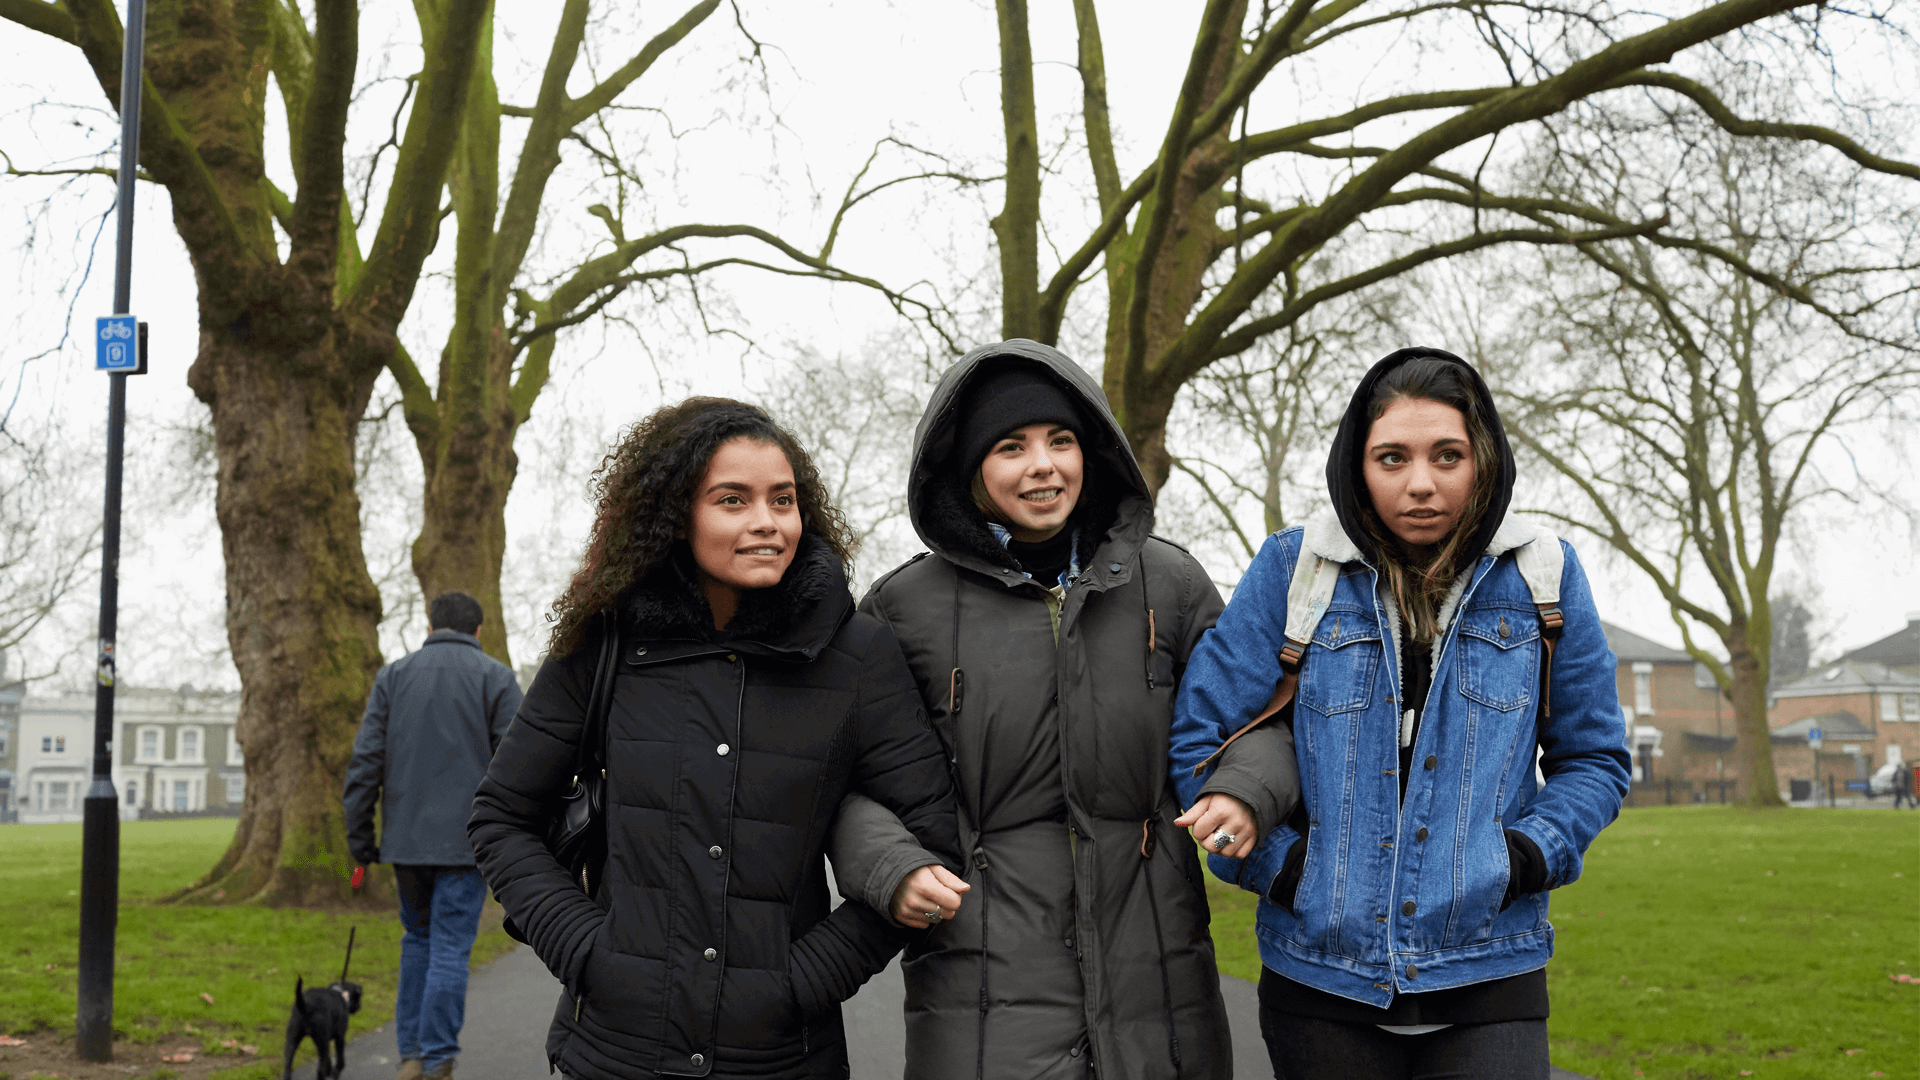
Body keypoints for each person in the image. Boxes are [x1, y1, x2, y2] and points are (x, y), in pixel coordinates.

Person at [827, 341, 1299, 1079]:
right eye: (1011, 447)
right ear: (969, 468)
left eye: (1061, 441)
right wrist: (891, 864)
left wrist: (1244, 788)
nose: (1043, 465)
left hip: (1163, 998)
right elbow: (847, 777)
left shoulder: (1171, 583)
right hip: (980, 1001)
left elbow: (1256, 719)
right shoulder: (901, 609)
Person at [1170, 348, 1632, 1080]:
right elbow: (1200, 742)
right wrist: (1287, 870)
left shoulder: (1544, 574)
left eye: (1447, 455)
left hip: (1491, 972)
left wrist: (1526, 858)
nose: (1421, 483)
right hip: (1317, 980)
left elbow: (1596, 758)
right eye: (1393, 458)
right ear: (1358, 465)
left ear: (1482, 459)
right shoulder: (1295, 569)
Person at [468, 398, 962, 1080]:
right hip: (615, 1053)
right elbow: (501, 817)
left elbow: (932, 840)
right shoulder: (605, 642)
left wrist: (805, 981)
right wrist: (586, 951)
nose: (766, 522)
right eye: (733, 500)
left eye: (782, 500)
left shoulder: (857, 655)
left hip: (785, 1057)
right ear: (675, 517)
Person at [343, 591, 524, 1080]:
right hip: (469, 843)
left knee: (417, 940)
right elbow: (518, 767)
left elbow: (365, 762)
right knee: (448, 947)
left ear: (430, 625)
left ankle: (411, 1056)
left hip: (405, 841)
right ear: (478, 631)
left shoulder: (394, 677)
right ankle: (438, 1057)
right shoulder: (496, 677)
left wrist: (361, 836)